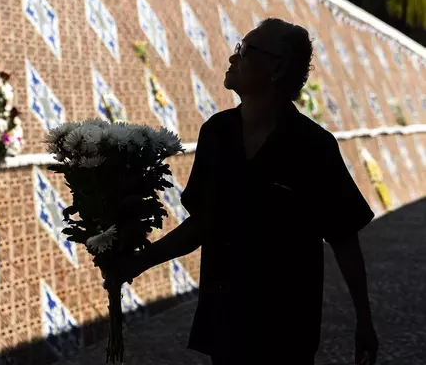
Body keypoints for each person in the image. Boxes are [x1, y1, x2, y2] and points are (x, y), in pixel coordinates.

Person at [101, 18, 379, 364]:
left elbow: (344, 238)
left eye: (245, 51)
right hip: (226, 324)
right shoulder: (216, 133)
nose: (233, 58)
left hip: (285, 332)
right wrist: (136, 264)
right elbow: (202, 225)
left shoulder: (314, 147)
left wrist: (364, 320)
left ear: (276, 69)